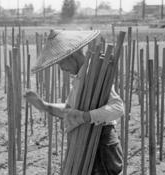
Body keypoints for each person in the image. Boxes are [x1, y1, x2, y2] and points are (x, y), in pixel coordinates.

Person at [24, 29, 124, 174]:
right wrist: (44, 106)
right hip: (87, 141)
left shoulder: (94, 75)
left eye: (61, 62)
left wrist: (85, 116)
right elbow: (70, 110)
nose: (61, 68)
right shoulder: (80, 78)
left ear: (72, 56)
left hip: (100, 144)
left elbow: (118, 107)